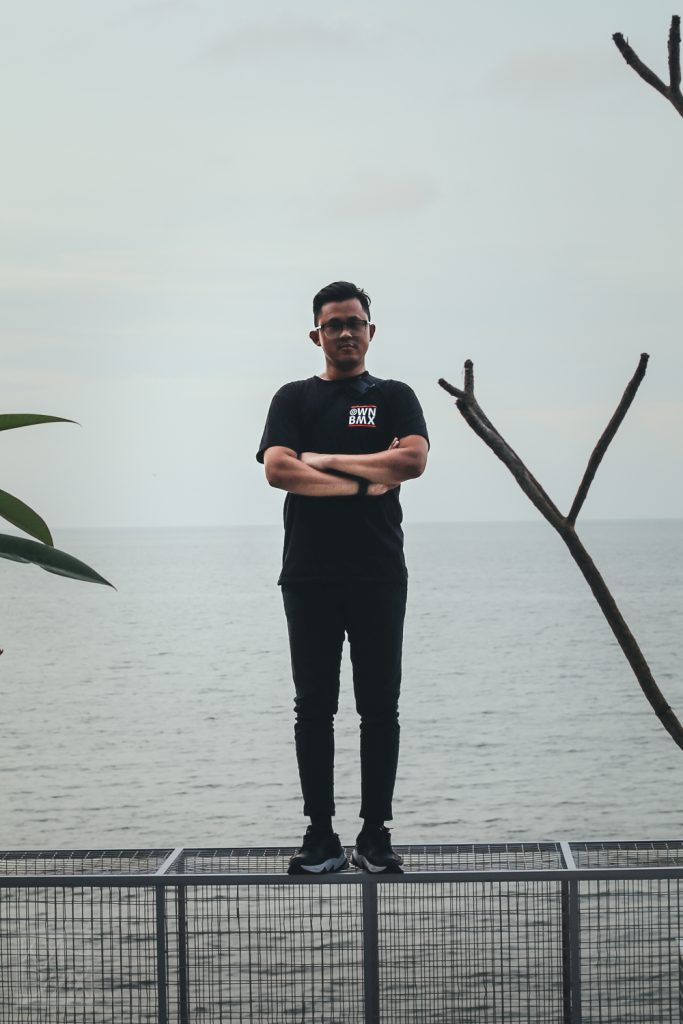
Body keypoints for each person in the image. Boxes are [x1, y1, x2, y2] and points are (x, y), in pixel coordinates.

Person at [256, 281, 429, 875]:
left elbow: (411, 461)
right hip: (309, 575)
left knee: (380, 708)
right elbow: (279, 470)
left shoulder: (394, 396)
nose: (346, 332)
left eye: (355, 322)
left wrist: (324, 460)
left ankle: (375, 835)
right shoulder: (293, 398)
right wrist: (363, 482)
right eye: (334, 324)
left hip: (379, 574)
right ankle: (321, 835)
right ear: (317, 335)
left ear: (370, 332)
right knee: (314, 709)